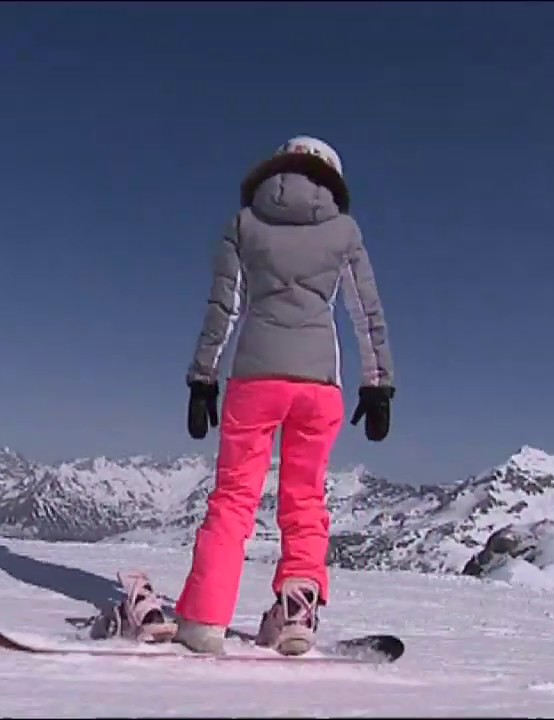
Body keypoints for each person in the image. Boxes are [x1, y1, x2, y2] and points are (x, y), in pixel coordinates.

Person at [171, 135, 396, 656]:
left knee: (233, 498)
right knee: (305, 500)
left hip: (254, 379)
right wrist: (378, 383)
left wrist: (203, 377)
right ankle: (298, 612)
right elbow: (367, 312)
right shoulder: (345, 232)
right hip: (320, 388)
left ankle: (204, 620)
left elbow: (222, 308)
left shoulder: (243, 224)